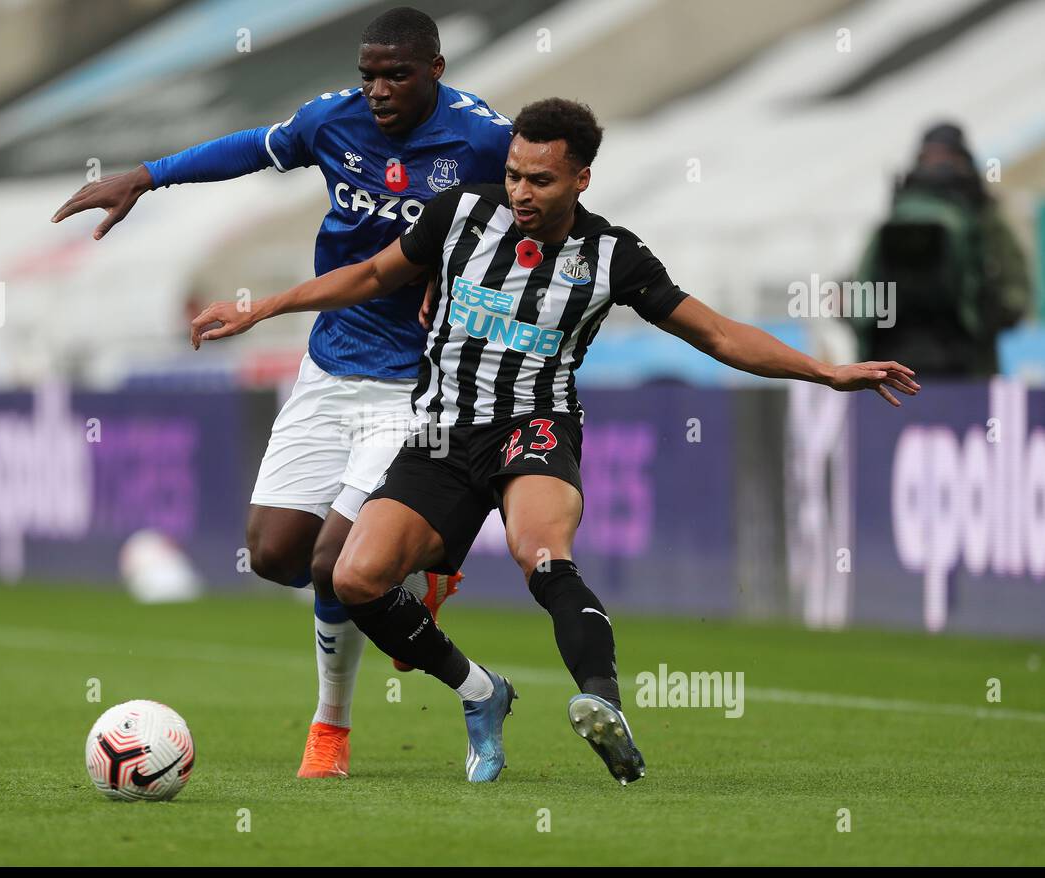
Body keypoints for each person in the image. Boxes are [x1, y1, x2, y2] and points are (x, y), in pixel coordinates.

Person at [192, 97, 920, 784]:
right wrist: (265, 309)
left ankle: (603, 703)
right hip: (442, 430)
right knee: (353, 579)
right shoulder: (460, 215)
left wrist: (826, 371)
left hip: (532, 429)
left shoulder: (614, 255)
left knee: (540, 554)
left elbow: (719, 333)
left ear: (581, 178)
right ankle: (481, 693)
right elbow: (374, 273)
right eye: (513, 173)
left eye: (540, 179)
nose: (521, 191)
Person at [51, 7, 514, 779]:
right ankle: (402, 583)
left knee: (339, 565)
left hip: (416, 386)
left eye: (395, 73)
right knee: (272, 555)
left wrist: (458, 277)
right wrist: (146, 175)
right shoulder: (331, 121)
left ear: (436, 69)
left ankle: (330, 726)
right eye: (369, 73)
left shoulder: (483, 140)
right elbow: (250, 148)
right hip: (330, 367)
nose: (378, 89)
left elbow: (534, 217)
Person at [854, 122, 1030, 377]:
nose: (937, 166)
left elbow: (1014, 300)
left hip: (940, 366)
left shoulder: (982, 218)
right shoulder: (979, 215)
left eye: (945, 157)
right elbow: (1015, 299)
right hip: (919, 367)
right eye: (931, 157)